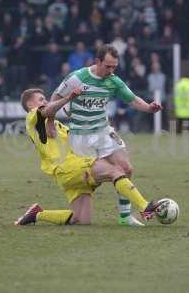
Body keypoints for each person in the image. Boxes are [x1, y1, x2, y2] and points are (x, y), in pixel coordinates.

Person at [50, 44, 162, 226]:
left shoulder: (114, 81)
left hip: (103, 131)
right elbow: (54, 97)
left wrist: (149, 107)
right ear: (97, 61)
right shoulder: (77, 77)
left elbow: (133, 99)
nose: (111, 71)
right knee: (92, 182)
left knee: (126, 168)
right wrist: (49, 121)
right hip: (80, 137)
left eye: (114, 67)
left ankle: (125, 217)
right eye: (107, 66)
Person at [15, 88, 163, 226]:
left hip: (66, 174)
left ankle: (38, 214)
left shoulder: (56, 125)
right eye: (41, 99)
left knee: (81, 219)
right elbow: (49, 110)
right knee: (116, 171)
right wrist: (69, 97)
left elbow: (72, 136)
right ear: (30, 104)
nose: (45, 101)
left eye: (45, 99)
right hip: (69, 167)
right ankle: (145, 206)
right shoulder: (32, 117)